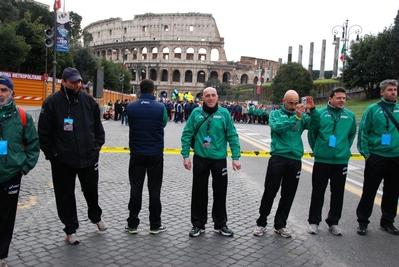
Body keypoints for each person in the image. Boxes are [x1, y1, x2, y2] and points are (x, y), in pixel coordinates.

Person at [38, 67, 108, 245]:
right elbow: (43, 131)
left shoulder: (87, 100)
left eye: (79, 81)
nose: (78, 84)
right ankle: (70, 229)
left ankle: (95, 216)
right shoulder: (52, 102)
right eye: (74, 81)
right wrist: (51, 154)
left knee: (91, 190)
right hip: (62, 159)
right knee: (65, 195)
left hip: (88, 156)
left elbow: (97, 126)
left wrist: (97, 146)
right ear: (63, 81)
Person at [253, 90, 319, 238]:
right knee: (270, 191)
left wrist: (312, 110)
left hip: (295, 159)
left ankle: (280, 224)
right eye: (291, 103)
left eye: (296, 103)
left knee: (288, 194)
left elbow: (315, 125)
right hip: (278, 157)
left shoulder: (302, 116)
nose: (294, 106)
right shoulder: (275, 114)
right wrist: (296, 118)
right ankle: (261, 222)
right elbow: (279, 128)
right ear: (284, 101)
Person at [181, 87, 241, 237]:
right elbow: (187, 134)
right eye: (207, 96)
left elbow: (232, 136)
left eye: (213, 95)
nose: (210, 98)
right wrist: (186, 156)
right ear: (203, 98)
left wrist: (235, 157)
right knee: (199, 192)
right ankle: (198, 224)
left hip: (219, 159)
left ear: (217, 97)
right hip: (200, 158)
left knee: (220, 193)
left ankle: (220, 224)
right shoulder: (196, 113)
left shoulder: (224, 113)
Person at [0, 75, 40, 267]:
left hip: (11, 174)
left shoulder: (23, 116)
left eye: (4, 90)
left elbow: (33, 145)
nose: (0, 94)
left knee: (6, 218)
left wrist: (23, 168)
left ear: (12, 93)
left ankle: (0, 256)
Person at [306, 87, 356, 236]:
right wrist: (319, 150)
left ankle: (333, 222)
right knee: (318, 191)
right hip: (322, 159)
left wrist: (343, 149)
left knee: (338, 192)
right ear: (330, 98)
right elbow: (312, 134)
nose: (342, 100)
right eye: (339, 98)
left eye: (344, 98)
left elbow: (351, 135)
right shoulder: (320, 114)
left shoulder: (350, 116)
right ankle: (314, 222)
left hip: (340, 161)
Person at [125, 79, 168, 235]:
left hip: (136, 153)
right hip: (155, 154)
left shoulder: (130, 107)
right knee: (154, 190)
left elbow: (130, 123)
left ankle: (132, 223)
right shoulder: (161, 107)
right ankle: (155, 225)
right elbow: (164, 123)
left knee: (136, 189)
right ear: (153, 91)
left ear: (139, 91)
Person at [356, 79, 399, 236]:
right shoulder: (372, 109)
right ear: (382, 92)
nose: (393, 92)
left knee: (392, 191)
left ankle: (387, 222)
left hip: (395, 157)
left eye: (395, 90)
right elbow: (363, 132)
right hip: (377, 156)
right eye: (390, 90)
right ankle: (363, 222)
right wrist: (367, 155)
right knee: (369, 190)